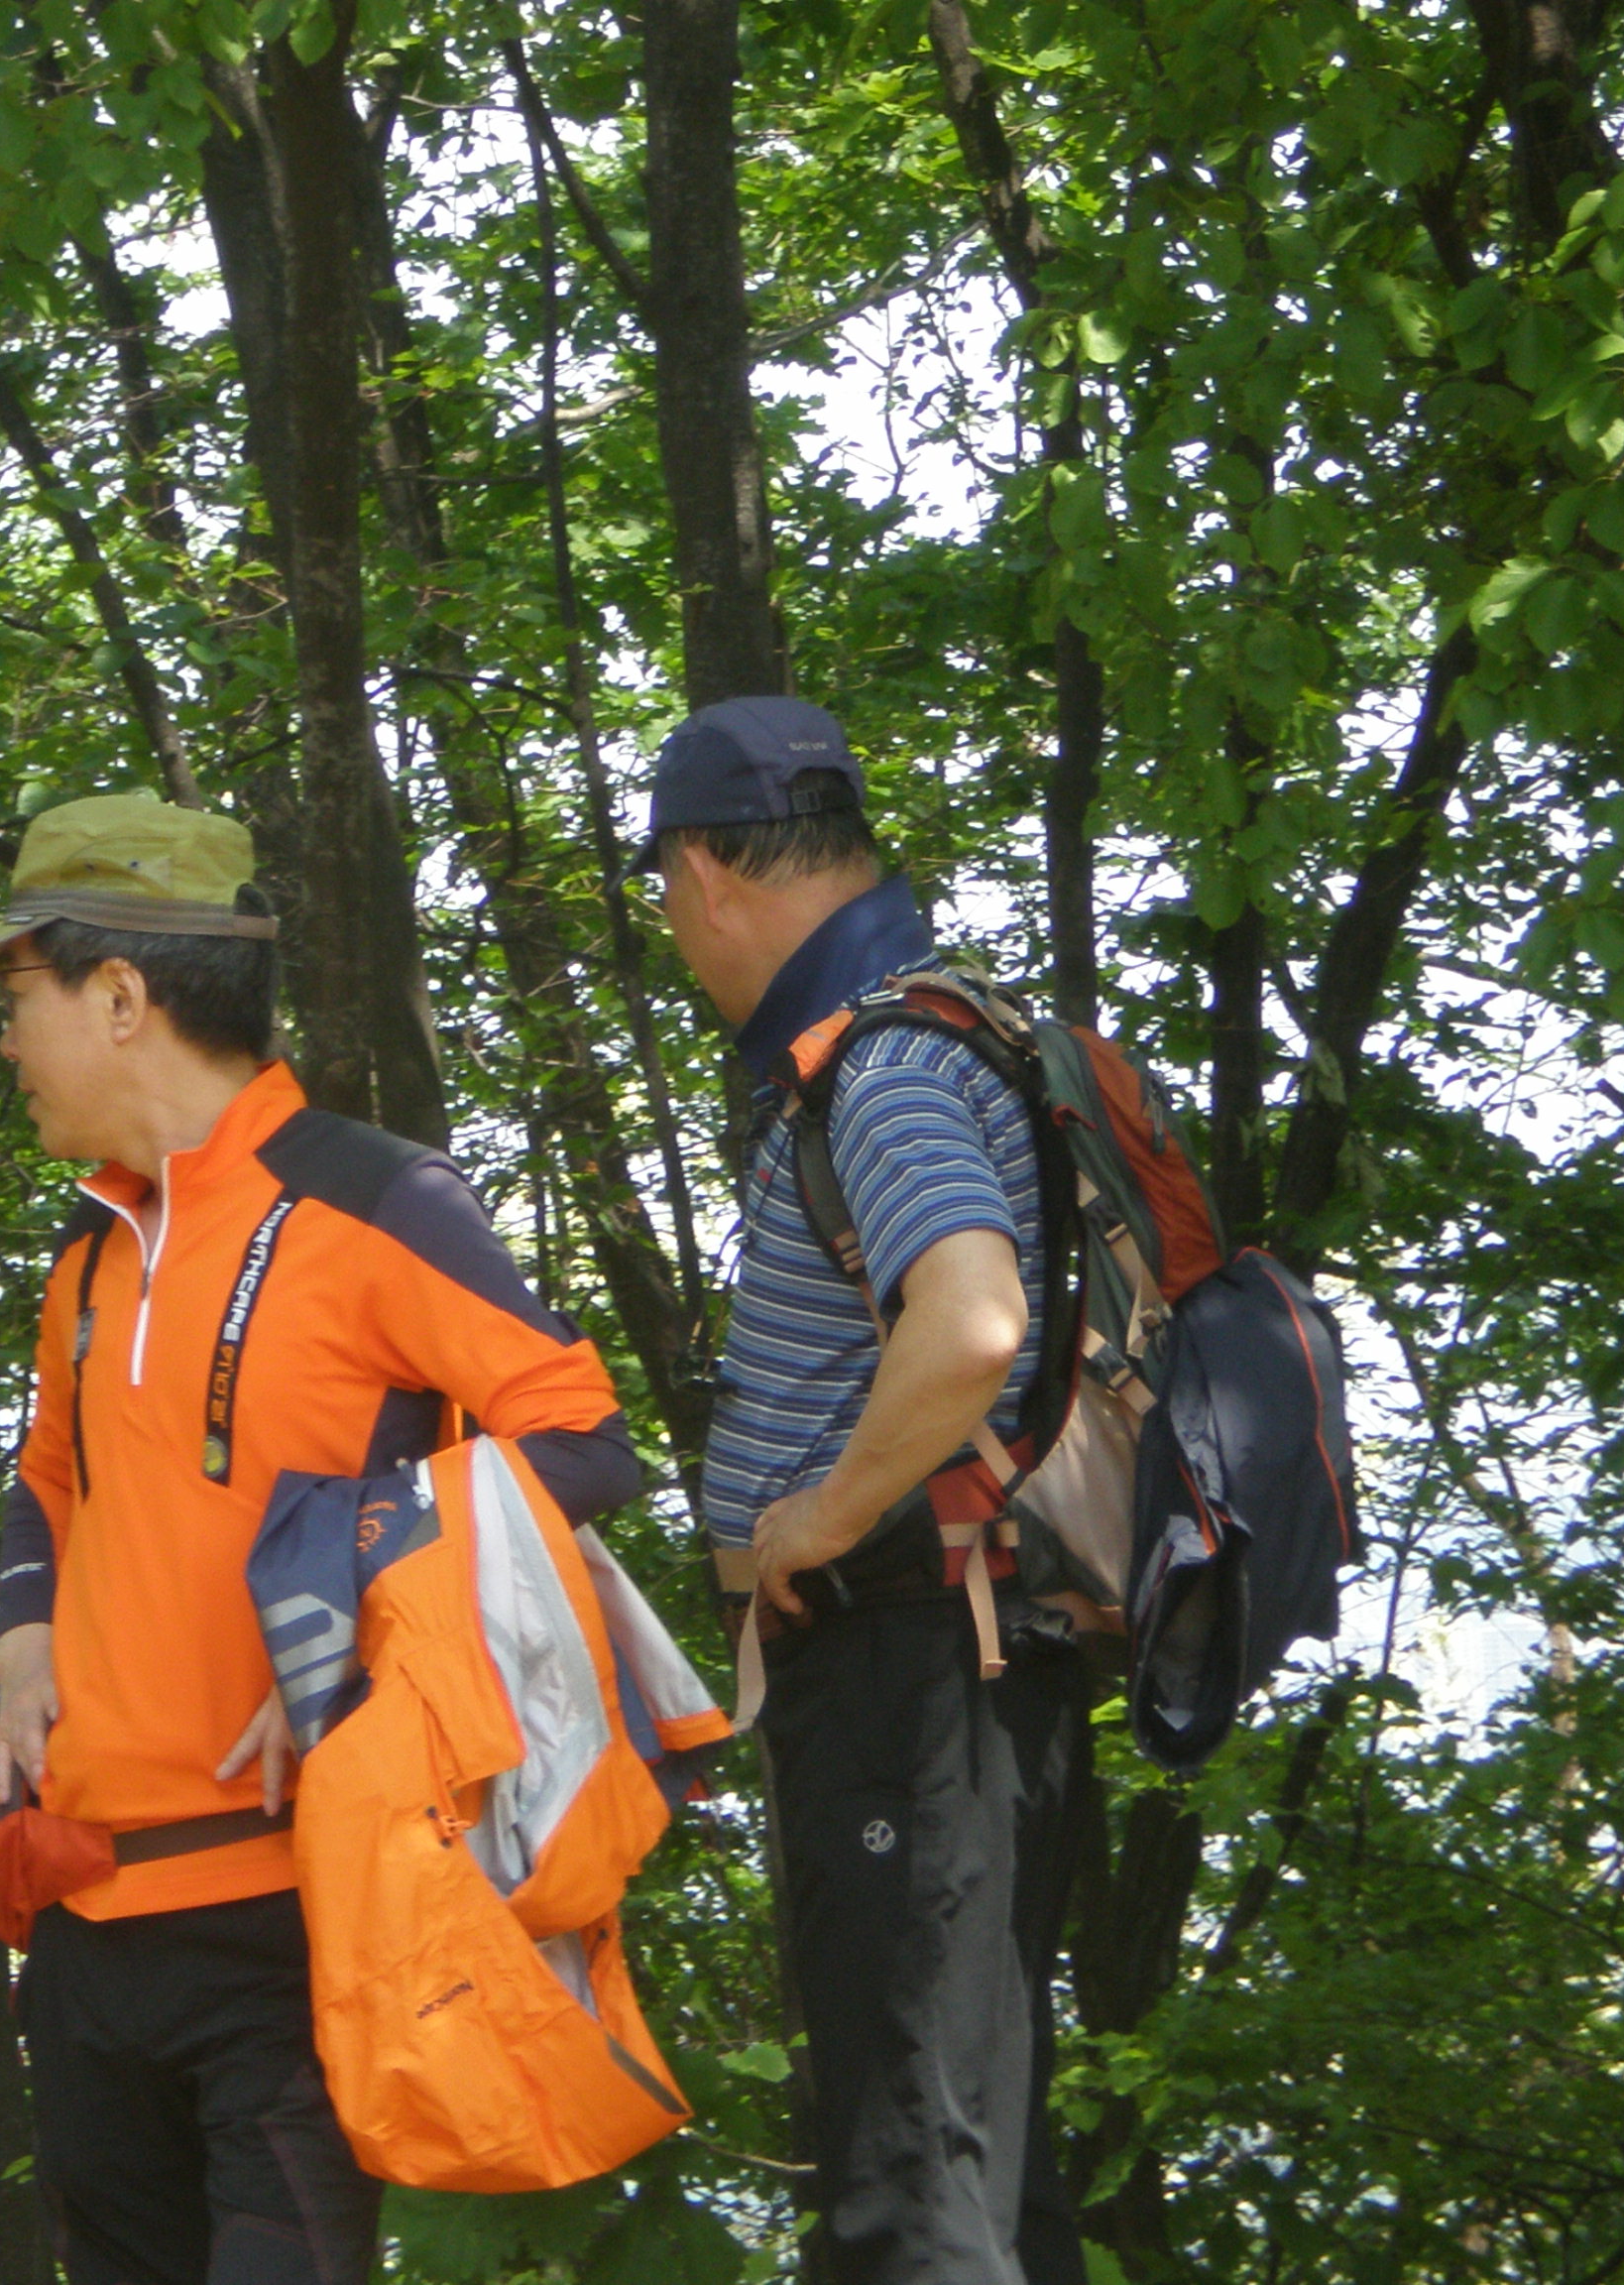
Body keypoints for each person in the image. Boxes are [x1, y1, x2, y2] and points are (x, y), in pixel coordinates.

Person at [0, 791, 644, 2285]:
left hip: (299, 1916)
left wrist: (359, 1609)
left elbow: (581, 1436)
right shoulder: (89, 1251)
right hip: (83, 1923)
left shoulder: (374, 1198)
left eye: (16, 993)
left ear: (118, 996)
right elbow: (48, 1475)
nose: (3, 1041)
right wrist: (21, 1635)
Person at [642, 698, 1088, 2285]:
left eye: (662, 886)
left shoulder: (882, 1064)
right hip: (964, 1670)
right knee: (982, 2176)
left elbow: (970, 1324)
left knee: (908, 2185)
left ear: (705, 869)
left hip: (910, 1666)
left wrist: (818, 1522)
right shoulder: (945, 1028)